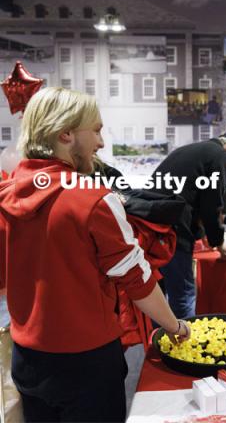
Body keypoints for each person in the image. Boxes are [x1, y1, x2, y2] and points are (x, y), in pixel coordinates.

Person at [0, 87, 190, 422]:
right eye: (98, 130)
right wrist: (174, 326)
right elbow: (138, 281)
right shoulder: (94, 201)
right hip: (86, 364)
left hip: (27, 359)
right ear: (66, 134)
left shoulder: (6, 195)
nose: (101, 143)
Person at [151, 130, 226, 319]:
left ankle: (158, 345)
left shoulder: (191, 150)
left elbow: (194, 197)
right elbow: (212, 206)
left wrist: (202, 232)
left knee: (159, 299)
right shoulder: (222, 156)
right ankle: (185, 347)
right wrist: (219, 243)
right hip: (173, 229)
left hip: (152, 226)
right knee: (183, 296)